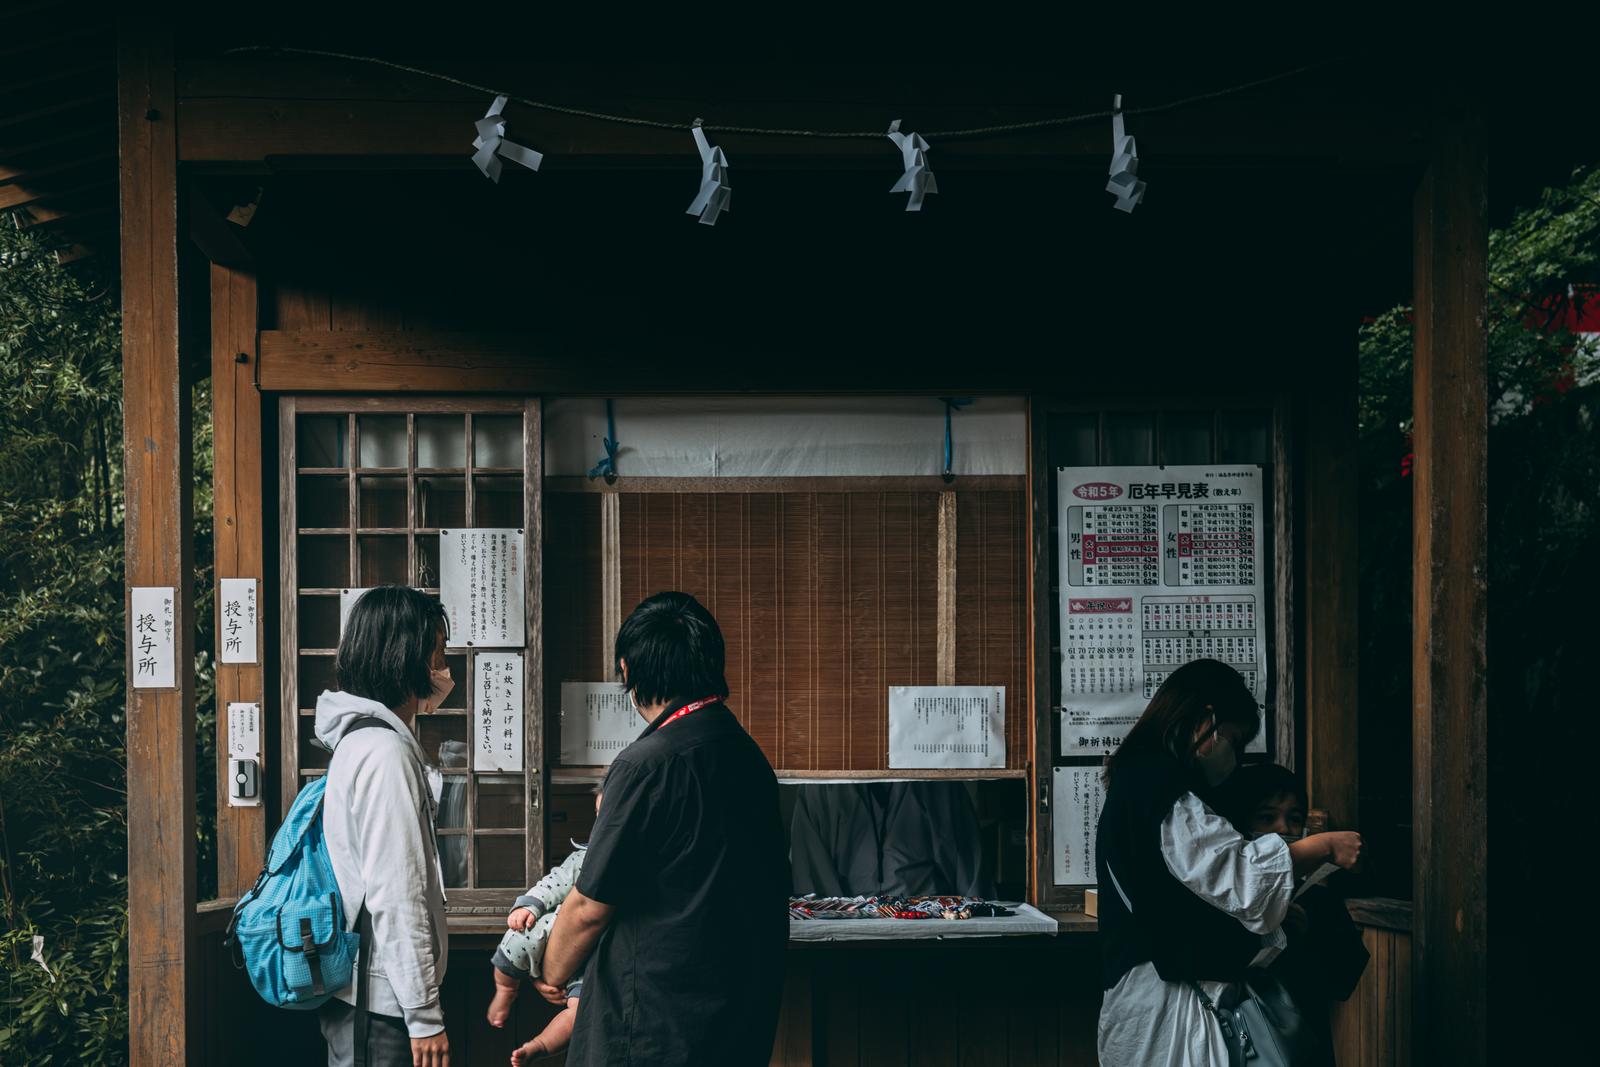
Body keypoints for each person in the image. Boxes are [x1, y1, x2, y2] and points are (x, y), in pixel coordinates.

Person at [538, 591, 790, 1066]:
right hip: (736, 1018)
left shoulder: (646, 765)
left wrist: (551, 969)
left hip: (653, 1025)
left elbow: (589, 907)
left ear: (628, 670)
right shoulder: (748, 757)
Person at [1095, 658, 1363, 1067]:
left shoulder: (1135, 780)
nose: (1234, 758)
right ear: (1206, 720)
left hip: (1143, 1004)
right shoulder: (1158, 784)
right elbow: (1239, 876)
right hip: (1167, 1008)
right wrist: (1322, 847)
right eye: (1235, 741)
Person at [315, 586, 453, 1067]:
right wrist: (424, 1015)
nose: (443, 667)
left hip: (370, 996)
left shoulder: (360, 741)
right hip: (382, 1004)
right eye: (437, 652)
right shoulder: (385, 753)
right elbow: (397, 892)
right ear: (407, 657)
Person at [1212, 763, 1369, 1062]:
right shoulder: (1220, 896)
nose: (1283, 829)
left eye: (1294, 819)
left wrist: (1308, 934)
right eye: (1267, 817)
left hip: (1303, 1047)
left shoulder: (1316, 897)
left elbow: (1343, 980)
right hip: (1237, 1046)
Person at [485, 789, 602, 1066]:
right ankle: (505, 990)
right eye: (599, 814)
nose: (603, 822)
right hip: (554, 934)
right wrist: (530, 906)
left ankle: (539, 1045)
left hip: (593, 961)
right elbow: (553, 882)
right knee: (517, 941)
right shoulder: (584, 858)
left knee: (579, 1011)